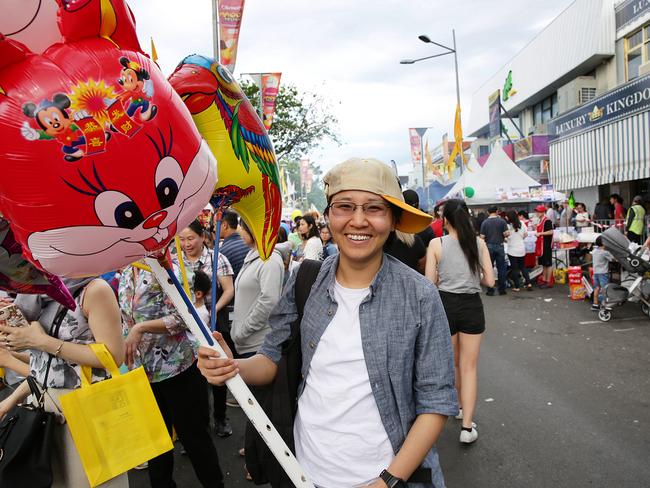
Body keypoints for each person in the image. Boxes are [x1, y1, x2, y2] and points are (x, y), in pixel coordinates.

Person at [198, 157, 457, 488]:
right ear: (329, 216)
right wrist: (232, 366)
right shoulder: (305, 279)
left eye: (374, 208)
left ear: (392, 219)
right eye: (344, 206)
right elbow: (271, 360)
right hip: (306, 473)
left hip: (389, 477)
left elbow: (436, 401)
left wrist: (387, 481)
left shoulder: (420, 295)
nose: (358, 221)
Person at [0, 278, 127, 488]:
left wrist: (41, 342)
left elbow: (113, 357)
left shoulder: (95, 290)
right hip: (46, 410)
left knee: (95, 482)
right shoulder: (36, 295)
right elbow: (48, 368)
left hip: (88, 408)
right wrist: (9, 401)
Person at [119, 264, 226, 488]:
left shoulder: (170, 269)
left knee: (195, 439)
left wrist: (141, 328)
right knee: (156, 444)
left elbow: (185, 317)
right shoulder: (128, 271)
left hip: (178, 368)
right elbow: (126, 318)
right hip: (143, 372)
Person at [425, 199, 493, 444]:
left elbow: (429, 283)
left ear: (445, 219)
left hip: (445, 306)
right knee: (469, 367)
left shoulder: (436, 244)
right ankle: (467, 428)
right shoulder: (478, 244)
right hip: (472, 306)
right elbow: (491, 281)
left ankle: (459, 407)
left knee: (454, 363)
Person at [178, 220, 235, 438]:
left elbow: (229, 290)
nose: (186, 244)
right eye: (182, 239)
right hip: (185, 328)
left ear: (202, 236)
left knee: (217, 368)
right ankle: (197, 427)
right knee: (192, 377)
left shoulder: (216, 258)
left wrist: (213, 310)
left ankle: (220, 418)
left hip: (211, 323)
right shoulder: (176, 261)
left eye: (190, 238)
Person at [480, 205, 510, 295]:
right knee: (501, 268)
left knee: (489, 268)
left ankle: (490, 290)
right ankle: (502, 289)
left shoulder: (484, 222)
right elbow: (506, 234)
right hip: (500, 246)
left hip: (489, 247)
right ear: (497, 211)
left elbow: (482, 237)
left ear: (488, 212)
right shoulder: (502, 221)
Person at [506, 211, 532, 291]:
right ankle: (529, 283)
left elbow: (506, 237)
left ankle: (517, 287)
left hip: (512, 249)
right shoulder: (522, 223)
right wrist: (520, 238)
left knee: (514, 269)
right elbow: (526, 234)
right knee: (523, 267)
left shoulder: (508, 226)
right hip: (521, 248)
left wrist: (506, 239)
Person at [220, 210, 249, 280]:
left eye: (215, 225)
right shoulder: (248, 244)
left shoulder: (222, 253)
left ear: (224, 225)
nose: (214, 229)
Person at [591, 236, 614, 311]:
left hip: (595, 273)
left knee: (596, 288)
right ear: (604, 243)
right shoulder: (605, 252)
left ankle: (595, 304)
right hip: (603, 273)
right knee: (605, 289)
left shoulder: (594, 251)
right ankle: (605, 304)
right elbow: (613, 258)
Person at [534, 204, 554, 288]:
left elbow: (551, 232)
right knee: (544, 264)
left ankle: (548, 281)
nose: (537, 213)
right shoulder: (540, 220)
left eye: (538, 212)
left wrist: (540, 233)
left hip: (546, 245)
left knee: (548, 264)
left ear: (543, 212)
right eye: (536, 212)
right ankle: (545, 280)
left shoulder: (547, 221)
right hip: (541, 245)